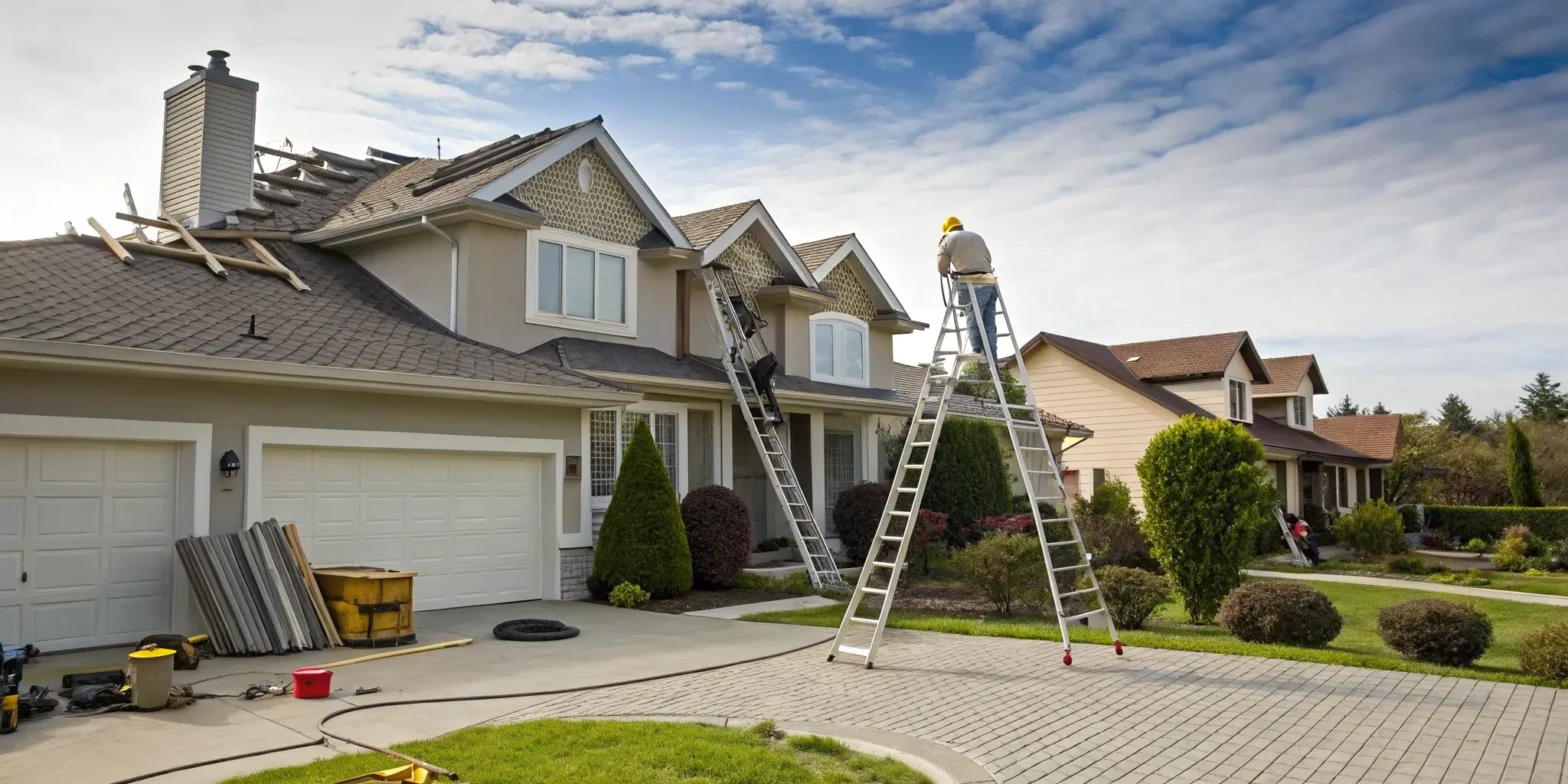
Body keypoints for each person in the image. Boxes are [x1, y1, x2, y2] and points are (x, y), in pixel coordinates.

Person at [936, 216, 998, 364]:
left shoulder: (947, 239)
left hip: (972, 283)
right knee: (989, 324)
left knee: (973, 318)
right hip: (990, 282)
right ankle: (992, 360)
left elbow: (942, 267)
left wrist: (946, 272)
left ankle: (977, 351)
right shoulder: (976, 236)